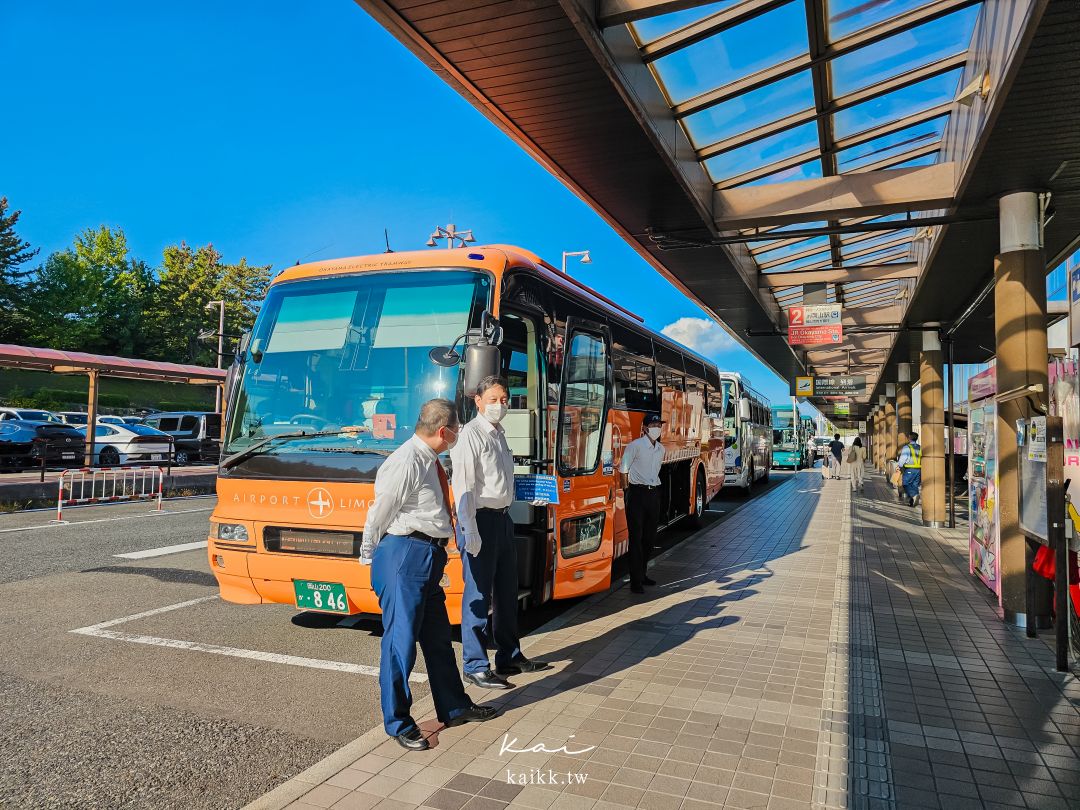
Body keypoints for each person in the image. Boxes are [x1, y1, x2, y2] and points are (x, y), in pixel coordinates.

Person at [360, 398, 499, 750]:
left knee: (437, 639)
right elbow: (380, 510)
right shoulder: (406, 461)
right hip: (405, 555)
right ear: (443, 431)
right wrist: (367, 552)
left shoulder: (430, 459)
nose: (458, 435)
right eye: (456, 429)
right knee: (400, 644)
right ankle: (398, 722)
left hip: (427, 556)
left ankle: (453, 706)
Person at [452, 376, 549, 689]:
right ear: (477, 401)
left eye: (504, 399)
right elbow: (464, 487)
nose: (500, 405)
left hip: (503, 519)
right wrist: (469, 530)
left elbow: (499, 480)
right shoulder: (471, 435)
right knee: (478, 595)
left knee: (507, 590)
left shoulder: (499, 434)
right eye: (493, 399)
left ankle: (509, 655)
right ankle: (475, 665)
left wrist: (526, 491)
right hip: (479, 520)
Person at [620, 412, 666, 594]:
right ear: (645, 428)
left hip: (653, 494)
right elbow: (623, 470)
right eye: (654, 425)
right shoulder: (635, 446)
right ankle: (635, 580)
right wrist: (627, 493)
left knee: (649, 539)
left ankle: (643, 574)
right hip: (637, 495)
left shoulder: (661, 449)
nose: (657, 428)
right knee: (636, 539)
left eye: (659, 425)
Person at [897, 430, 922, 507]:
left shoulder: (907, 447)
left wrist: (899, 466)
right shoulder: (920, 447)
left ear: (909, 438)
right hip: (918, 470)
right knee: (914, 485)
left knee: (905, 484)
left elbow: (902, 460)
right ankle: (912, 502)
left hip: (909, 469)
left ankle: (914, 495)